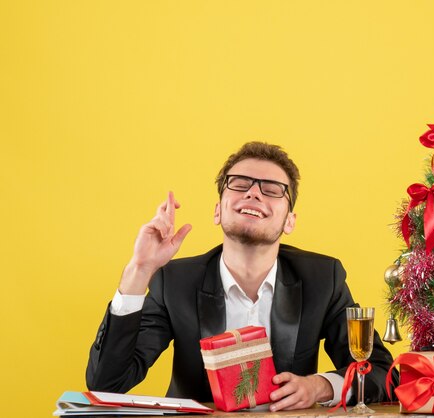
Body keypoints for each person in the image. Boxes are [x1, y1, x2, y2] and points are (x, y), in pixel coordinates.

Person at [86, 142, 397, 411]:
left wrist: (319, 386)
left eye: (272, 189)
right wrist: (139, 270)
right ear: (218, 210)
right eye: (239, 183)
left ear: (290, 221)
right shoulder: (174, 282)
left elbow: (383, 372)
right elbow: (107, 383)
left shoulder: (322, 279)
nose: (253, 193)